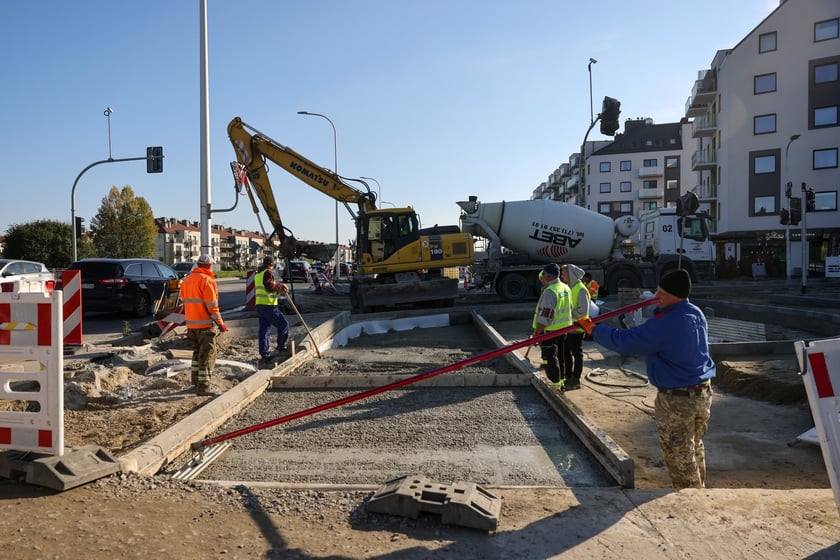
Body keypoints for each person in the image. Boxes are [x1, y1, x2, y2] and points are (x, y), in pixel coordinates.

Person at [577, 269, 716, 488]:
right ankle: (700, 491)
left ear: (674, 295)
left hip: (678, 399)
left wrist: (595, 329)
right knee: (694, 446)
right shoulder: (694, 312)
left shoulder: (667, 323)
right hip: (702, 393)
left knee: (679, 454)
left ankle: (691, 502)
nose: (655, 296)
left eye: (661, 293)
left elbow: (626, 342)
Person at [180, 254, 228, 396]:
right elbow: (212, 306)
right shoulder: (207, 280)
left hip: (191, 325)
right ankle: (204, 387)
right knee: (207, 355)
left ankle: (195, 383)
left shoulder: (187, 280)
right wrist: (221, 323)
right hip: (205, 325)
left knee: (197, 354)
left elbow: (185, 301)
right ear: (210, 266)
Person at [530, 263, 573, 390]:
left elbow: (545, 316)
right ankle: (562, 382)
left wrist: (537, 333)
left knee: (550, 358)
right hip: (564, 329)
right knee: (561, 356)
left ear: (548, 276)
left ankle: (554, 385)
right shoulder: (565, 287)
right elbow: (569, 308)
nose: (542, 277)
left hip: (550, 331)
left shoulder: (550, 291)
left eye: (543, 274)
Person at [255, 255, 290, 367]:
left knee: (264, 330)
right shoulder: (268, 273)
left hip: (260, 304)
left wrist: (277, 289)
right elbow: (269, 287)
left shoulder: (258, 274)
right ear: (271, 264)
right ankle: (281, 347)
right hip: (269, 305)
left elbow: (267, 287)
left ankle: (264, 353)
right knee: (283, 324)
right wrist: (280, 286)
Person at [561, 264, 591, 391]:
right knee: (566, 353)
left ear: (570, 274)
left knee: (576, 354)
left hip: (577, 328)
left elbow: (583, 311)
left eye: (564, 273)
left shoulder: (581, 289)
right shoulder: (569, 288)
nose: (562, 276)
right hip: (569, 326)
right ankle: (568, 377)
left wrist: (568, 314)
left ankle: (576, 379)